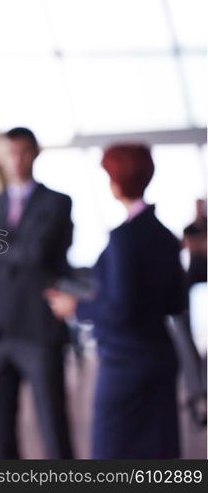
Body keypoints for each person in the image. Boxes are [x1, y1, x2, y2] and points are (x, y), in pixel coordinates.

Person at [46, 143, 186, 458]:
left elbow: (119, 308)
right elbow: (176, 302)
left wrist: (75, 307)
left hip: (125, 360)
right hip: (160, 354)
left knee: (109, 449)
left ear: (116, 181)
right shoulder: (165, 235)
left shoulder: (124, 237)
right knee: (160, 452)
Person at [0, 127, 74, 459]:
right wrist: (15, 250)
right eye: (9, 152)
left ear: (35, 153)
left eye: (22, 151)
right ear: (0, 157)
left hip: (37, 328)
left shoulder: (57, 202)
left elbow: (38, 253)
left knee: (53, 428)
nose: (15, 159)